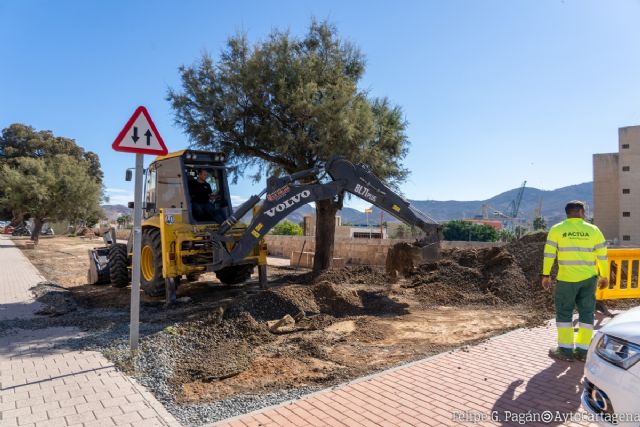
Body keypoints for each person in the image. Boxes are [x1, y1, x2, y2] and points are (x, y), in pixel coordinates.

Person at [541, 200, 608, 362]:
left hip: (566, 280)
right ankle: (583, 351)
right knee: (586, 313)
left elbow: (549, 254)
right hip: (589, 279)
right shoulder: (593, 230)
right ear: (582, 212)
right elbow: (602, 255)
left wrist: (545, 275)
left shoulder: (557, 229)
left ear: (567, 213)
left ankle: (565, 350)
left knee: (564, 313)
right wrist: (604, 275)